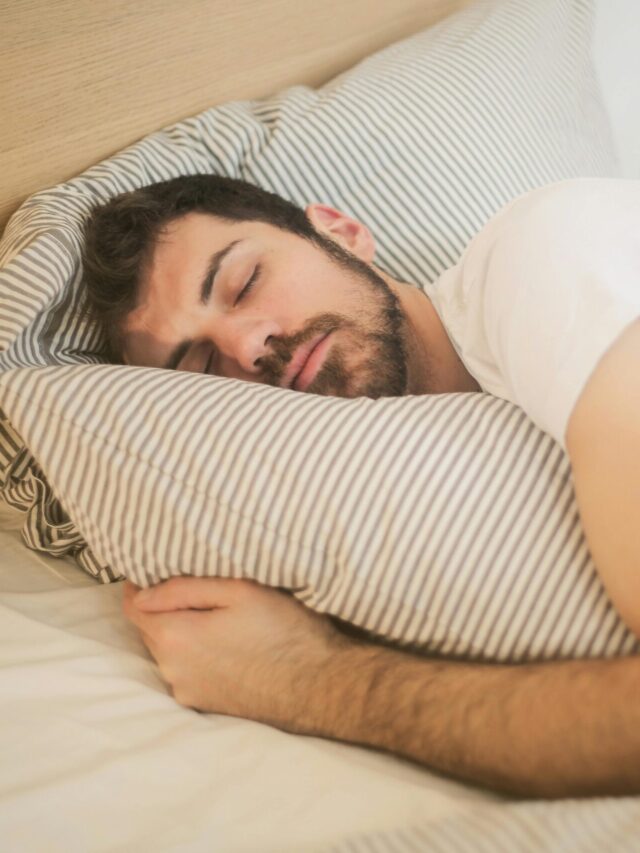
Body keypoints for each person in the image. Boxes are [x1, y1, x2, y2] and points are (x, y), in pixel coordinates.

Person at [82, 174, 640, 798]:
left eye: (244, 283)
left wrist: (305, 680)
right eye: (201, 366)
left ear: (340, 233)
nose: (247, 345)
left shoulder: (547, 259)